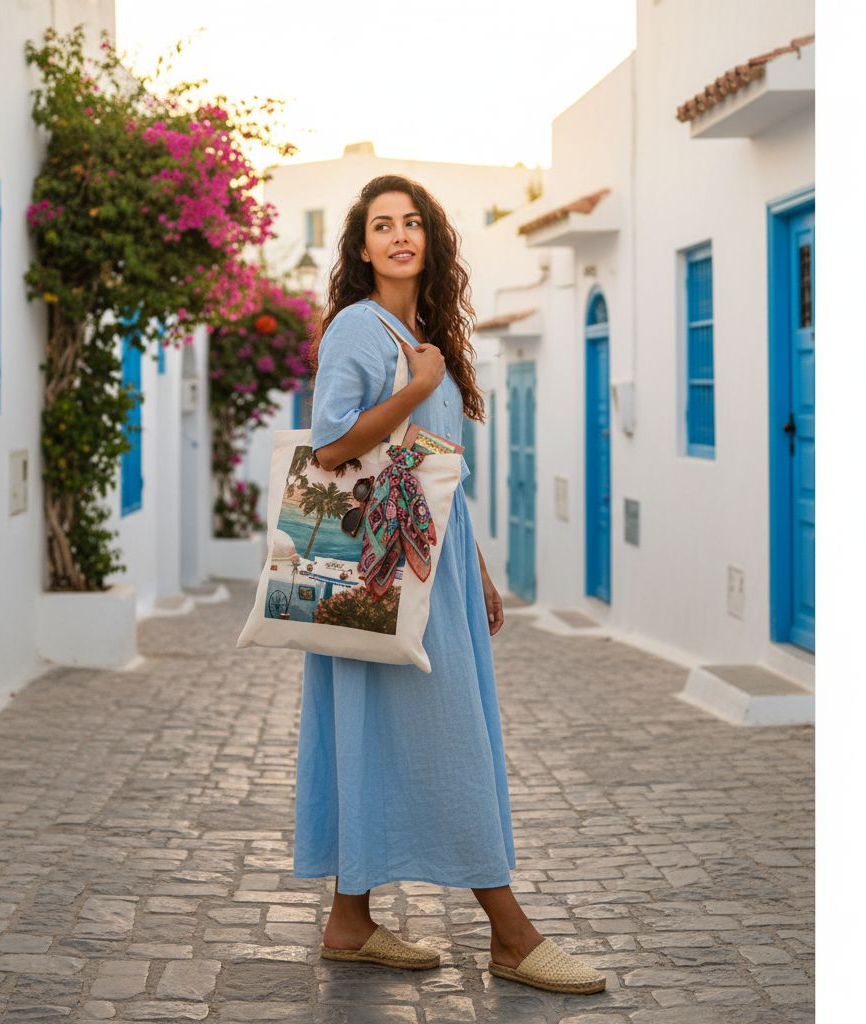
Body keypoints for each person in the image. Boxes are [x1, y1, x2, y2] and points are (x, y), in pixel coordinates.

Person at [292, 174, 606, 996]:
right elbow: (331, 450)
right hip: (388, 565)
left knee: (380, 732)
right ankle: (509, 931)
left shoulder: (419, 328)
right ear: (361, 248)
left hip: (432, 562)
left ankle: (350, 920)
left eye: (413, 224)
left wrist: (479, 570)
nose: (399, 236)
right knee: (453, 739)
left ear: (430, 240)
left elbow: (439, 478)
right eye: (381, 225)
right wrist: (420, 387)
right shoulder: (362, 331)